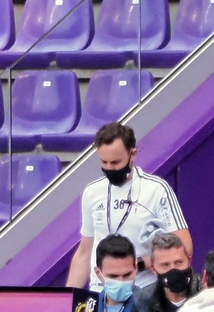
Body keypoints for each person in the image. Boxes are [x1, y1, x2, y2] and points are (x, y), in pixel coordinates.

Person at [66, 122, 193, 291]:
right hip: (101, 291)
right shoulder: (92, 192)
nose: (109, 168)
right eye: (104, 162)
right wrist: (68, 298)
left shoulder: (156, 190)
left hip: (143, 290)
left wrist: (141, 263)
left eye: (116, 162)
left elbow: (184, 245)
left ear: (133, 154)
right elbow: (84, 252)